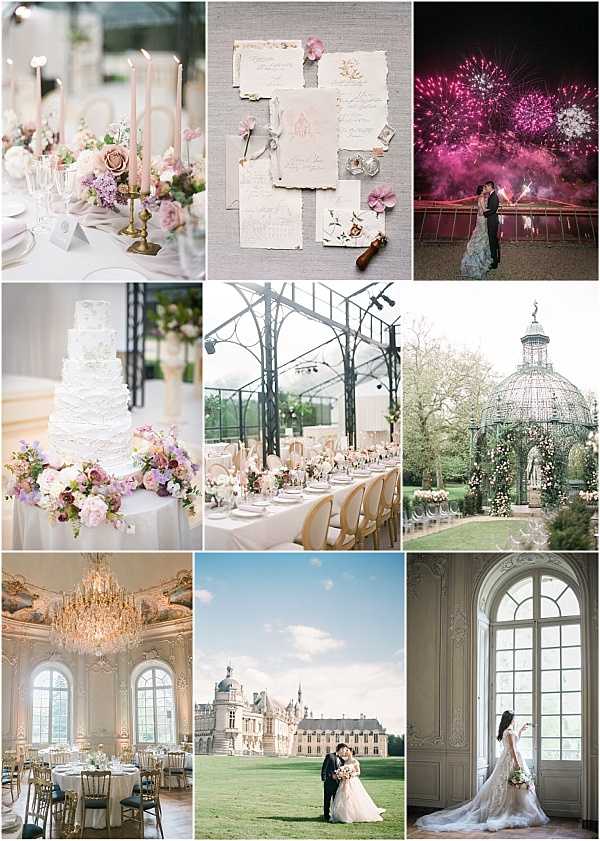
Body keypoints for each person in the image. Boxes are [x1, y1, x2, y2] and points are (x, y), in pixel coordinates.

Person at [416, 710, 549, 832]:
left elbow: (514, 743)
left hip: (507, 759)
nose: (515, 720)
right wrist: (518, 766)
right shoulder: (509, 732)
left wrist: (520, 731)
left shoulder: (507, 731)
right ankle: (508, 810)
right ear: (510, 719)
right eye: (514, 718)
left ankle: (512, 808)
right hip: (511, 760)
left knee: (511, 787)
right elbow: (513, 749)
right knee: (512, 785)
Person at [329, 747, 385, 823]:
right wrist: (342, 774)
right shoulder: (344, 761)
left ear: (351, 752)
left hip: (352, 781)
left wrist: (350, 774)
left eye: (347, 750)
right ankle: (344, 814)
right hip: (344, 781)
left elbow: (358, 772)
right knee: (344, 798)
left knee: (354, 797)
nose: (345, 751)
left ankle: (356, 814)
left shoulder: (355, 761)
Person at [460, 185, 492, 279]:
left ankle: (480, 260)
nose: (486, 189)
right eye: (485, 188)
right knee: (480, 237)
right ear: (482, 190)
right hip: (482, 219)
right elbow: (482, 211)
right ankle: (476, 262)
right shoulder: (482, 198)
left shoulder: (481, 197)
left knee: (480, 237)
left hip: (481, 219)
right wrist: (493, 210)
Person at [320, 743, 347, 821]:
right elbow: (324, 768)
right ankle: (326, 816)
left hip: (338, 784)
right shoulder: (330, 756)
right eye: (344, 750)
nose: (345, 752)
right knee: (327, 800)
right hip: (329, 782)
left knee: (336, 800)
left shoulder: (342, 760)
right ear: (341, 749)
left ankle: (335, 815)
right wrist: (325, 779)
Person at [483, 180, 501, 268]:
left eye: (486, 187)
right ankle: (496, 258)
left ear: (490, 186)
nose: (485, 188)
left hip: (492, 222)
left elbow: (493, 209)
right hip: (492, 221)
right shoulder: (492, 195)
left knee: (492, 241)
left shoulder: (494, 196)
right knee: (493, 240)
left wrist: (484, 213)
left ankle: (494, 262)